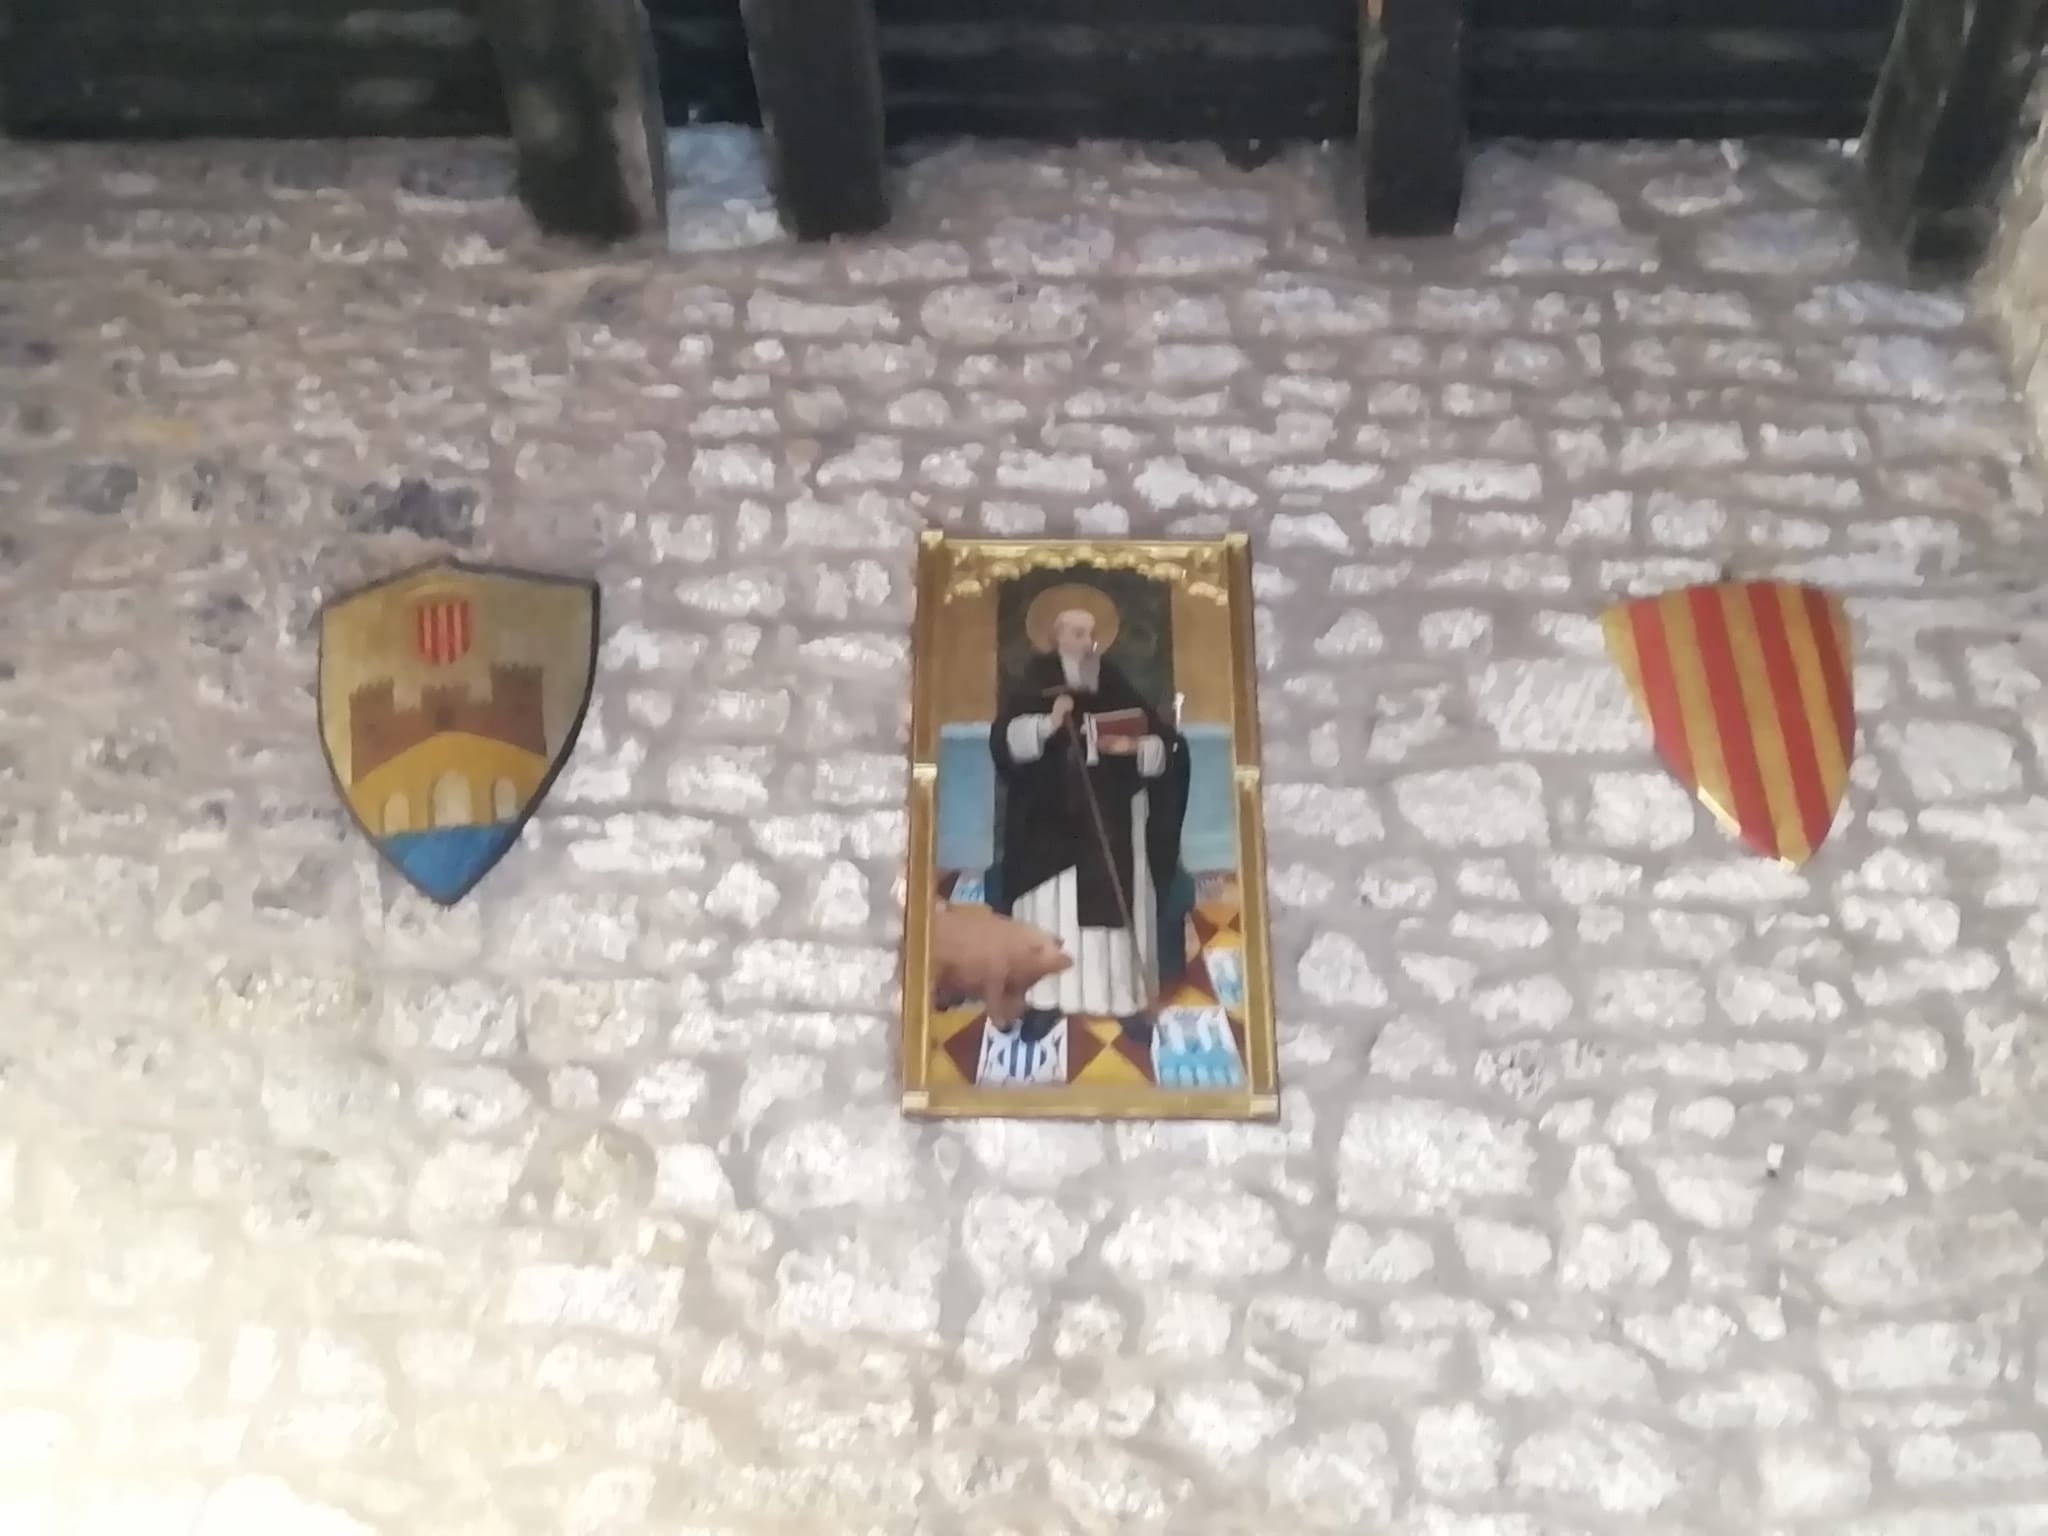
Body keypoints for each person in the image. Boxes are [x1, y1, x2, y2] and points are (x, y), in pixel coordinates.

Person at [988, 586, 1189, 1033]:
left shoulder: (1110, 679)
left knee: (1115, 909)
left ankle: (1123, 1000)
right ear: (1056, 636)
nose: (1087, 643)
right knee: (1050, 910)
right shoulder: (1036, 680)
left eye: (1092, 634)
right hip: (1050, 823)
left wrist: (1133, 746)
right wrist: (1047, 724)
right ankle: (1044, 1000)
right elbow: (1005, 739)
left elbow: (1161, 741)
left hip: (1110, 818)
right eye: (1078, 633)